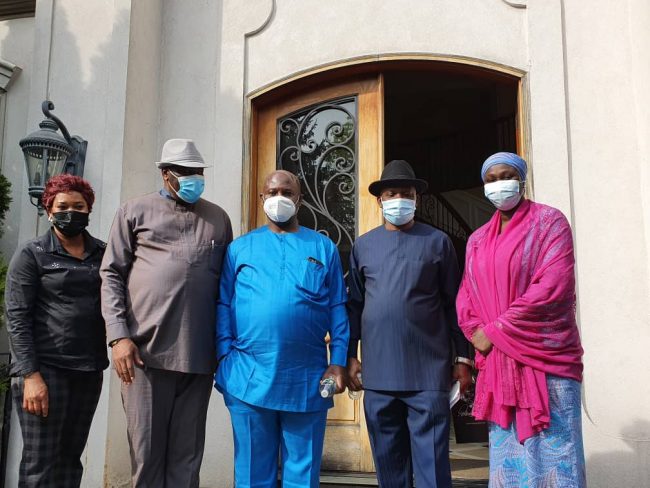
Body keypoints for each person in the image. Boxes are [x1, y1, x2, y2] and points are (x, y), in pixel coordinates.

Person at [100, 138, 232, 487]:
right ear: (165, 174)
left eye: (198, 171)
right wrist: (118, 337)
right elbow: (111, 274)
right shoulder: (133, 211)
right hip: (144, 355)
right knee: (147, 455)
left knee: (187, 460)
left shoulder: (218, 218)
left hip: (199, 356)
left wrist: (225, 346)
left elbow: (227, 286)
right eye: (185, 172)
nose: (193, 178)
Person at [456, 152, 585, 487]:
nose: (499, 184)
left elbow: (553, 286)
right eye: (491, 179)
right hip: (500, 367)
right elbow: (466, 294)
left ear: (522, 180)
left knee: (557, 455)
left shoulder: (550, 223)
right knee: (509, 459)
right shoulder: (477, 240)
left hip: (546, 361)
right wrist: (476, 331)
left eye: (507, 176)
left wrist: (495, 331)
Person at [215, 170, 349, 488]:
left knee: (303, 474)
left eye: (287, 193)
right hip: (247, 376)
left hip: (307, 378)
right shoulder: (240, 249)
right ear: (262, 198)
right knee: (252, 475)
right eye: (272, 192)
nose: (279, 198)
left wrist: (338, 361)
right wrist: (224, 356)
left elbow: (337, 307)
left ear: (299, 199)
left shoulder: (323, 248)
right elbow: (223, 303)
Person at [346, 159, 473, 488]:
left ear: (416, 199)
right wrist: (349, 356)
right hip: (378, 374)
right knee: (389, 467)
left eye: (406, 193)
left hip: (428, 373)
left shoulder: (438, 242)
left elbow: (454, 303)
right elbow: (355, 305)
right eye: (392, 194)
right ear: (380, 200)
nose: (399, 199)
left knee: (433, 467)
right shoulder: (363, 246)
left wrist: (462, 357)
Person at [5, 174, 107, 487]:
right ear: (49, 210)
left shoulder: (103, 253)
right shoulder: (32, 253)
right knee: (41, 463)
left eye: (79, 206)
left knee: (70, 458)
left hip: (88, 371)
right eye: (62, 206)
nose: (71, 212)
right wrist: (30, 375)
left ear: (89, 210)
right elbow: (17, 316)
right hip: (46, 372)